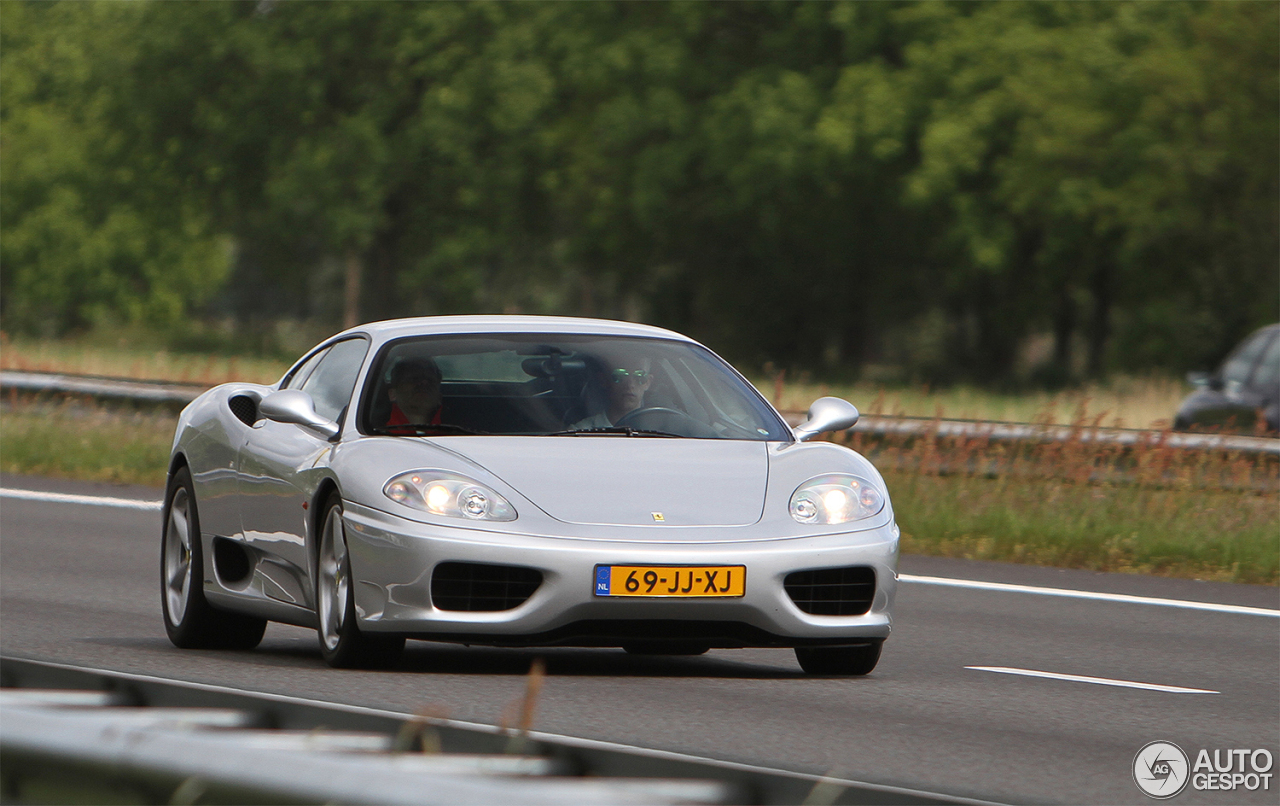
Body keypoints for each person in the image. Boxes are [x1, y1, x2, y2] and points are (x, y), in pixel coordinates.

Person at [570, 356, 652, 429]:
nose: (630, 385)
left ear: (648, 382)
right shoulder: (580, 433)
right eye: (619, 375)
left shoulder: (660, 431)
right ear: (604, 380)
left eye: (640, 376)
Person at [385, 356, 443, 429]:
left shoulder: (458, 431)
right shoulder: (375, 432)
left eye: (430, 380)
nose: (423, 383)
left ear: (439, 396)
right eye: (414, 379)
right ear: (392, 394)